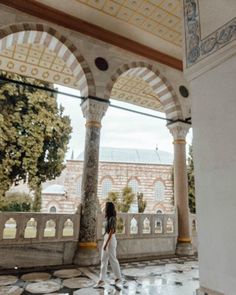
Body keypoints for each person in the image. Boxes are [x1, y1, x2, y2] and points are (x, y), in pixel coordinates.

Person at [95, 202, 121, 288]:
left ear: (108, 208)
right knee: (103, 260)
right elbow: (107, 232)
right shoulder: (108, 218)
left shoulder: (112, 218)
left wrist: (106, 244)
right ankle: (101, 280)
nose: (104, 209)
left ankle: (118, 278)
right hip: (107, 238)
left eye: (106, 207)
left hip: (111, 240)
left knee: (113, 259)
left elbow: (111, 232)